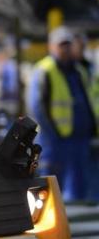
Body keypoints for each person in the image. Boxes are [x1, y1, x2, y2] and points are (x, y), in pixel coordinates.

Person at [28, 26, 97, 202]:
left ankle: (77, 209)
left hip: (79, 136)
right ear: (51, 47)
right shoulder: (44, 70)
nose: (65, 49)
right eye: (61, 45)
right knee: (52, 184)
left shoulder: (78, 70)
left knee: (78, 181)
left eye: (68, 44)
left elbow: (88, 98)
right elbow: (37, 106)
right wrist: (52, 132)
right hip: (55, 138)